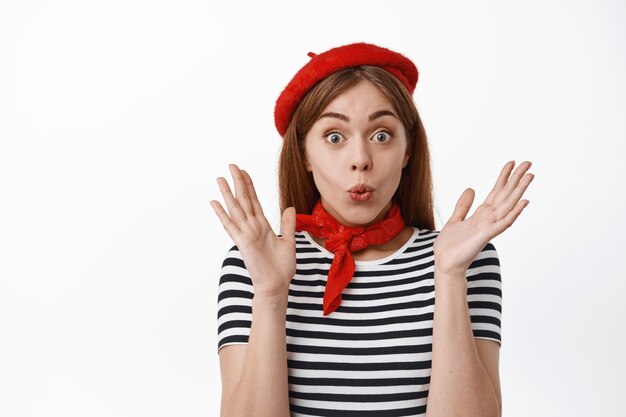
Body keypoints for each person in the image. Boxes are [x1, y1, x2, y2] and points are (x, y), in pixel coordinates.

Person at [210, 42, 533, 417]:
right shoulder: (251, 265)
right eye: (334, 137)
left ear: (408, 150)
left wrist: (449, 276)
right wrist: (269, 295)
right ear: (304, 156)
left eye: (382, 135)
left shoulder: (466, 258)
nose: (360, 160)